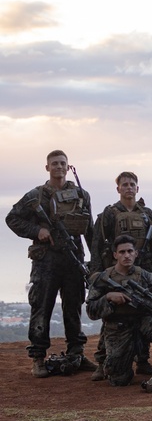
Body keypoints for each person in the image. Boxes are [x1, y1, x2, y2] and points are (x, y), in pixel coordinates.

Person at [6, 149, 97, 377]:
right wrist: (37, 230)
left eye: (62, 163)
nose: (58, 167)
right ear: (47, 168)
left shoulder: (81, 194)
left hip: (73, 258)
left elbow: (90, 229)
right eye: (54, 163)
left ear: (68, 167)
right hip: (45, 261)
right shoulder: (36, 196)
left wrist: (96, 261)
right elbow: (12, 218)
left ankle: (76, 353)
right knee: (41, 307)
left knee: (73, 307)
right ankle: (38, 357)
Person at [89, 171, 152, 379]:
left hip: (144, 271)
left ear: (137, 188)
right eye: (125, 185)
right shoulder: (109, 214)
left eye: (132, 184)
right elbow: (97, 244)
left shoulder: (147, 214)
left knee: (144, 311)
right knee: (112, 315)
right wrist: (95, 273)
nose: (129, 188)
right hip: (116, 274)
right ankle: (102, 362)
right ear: (118, 189)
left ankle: (143, 360)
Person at [85, 235, 152, 386]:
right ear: (115, 255)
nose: (126, 255)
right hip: (118, 327)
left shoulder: (146, 276)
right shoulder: (103, 278)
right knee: (119, 380)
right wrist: (108, 297)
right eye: (122, 252)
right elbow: (91, 311)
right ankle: (113, 363)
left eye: (130, 251)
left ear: (136, 253)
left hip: (144, 322)